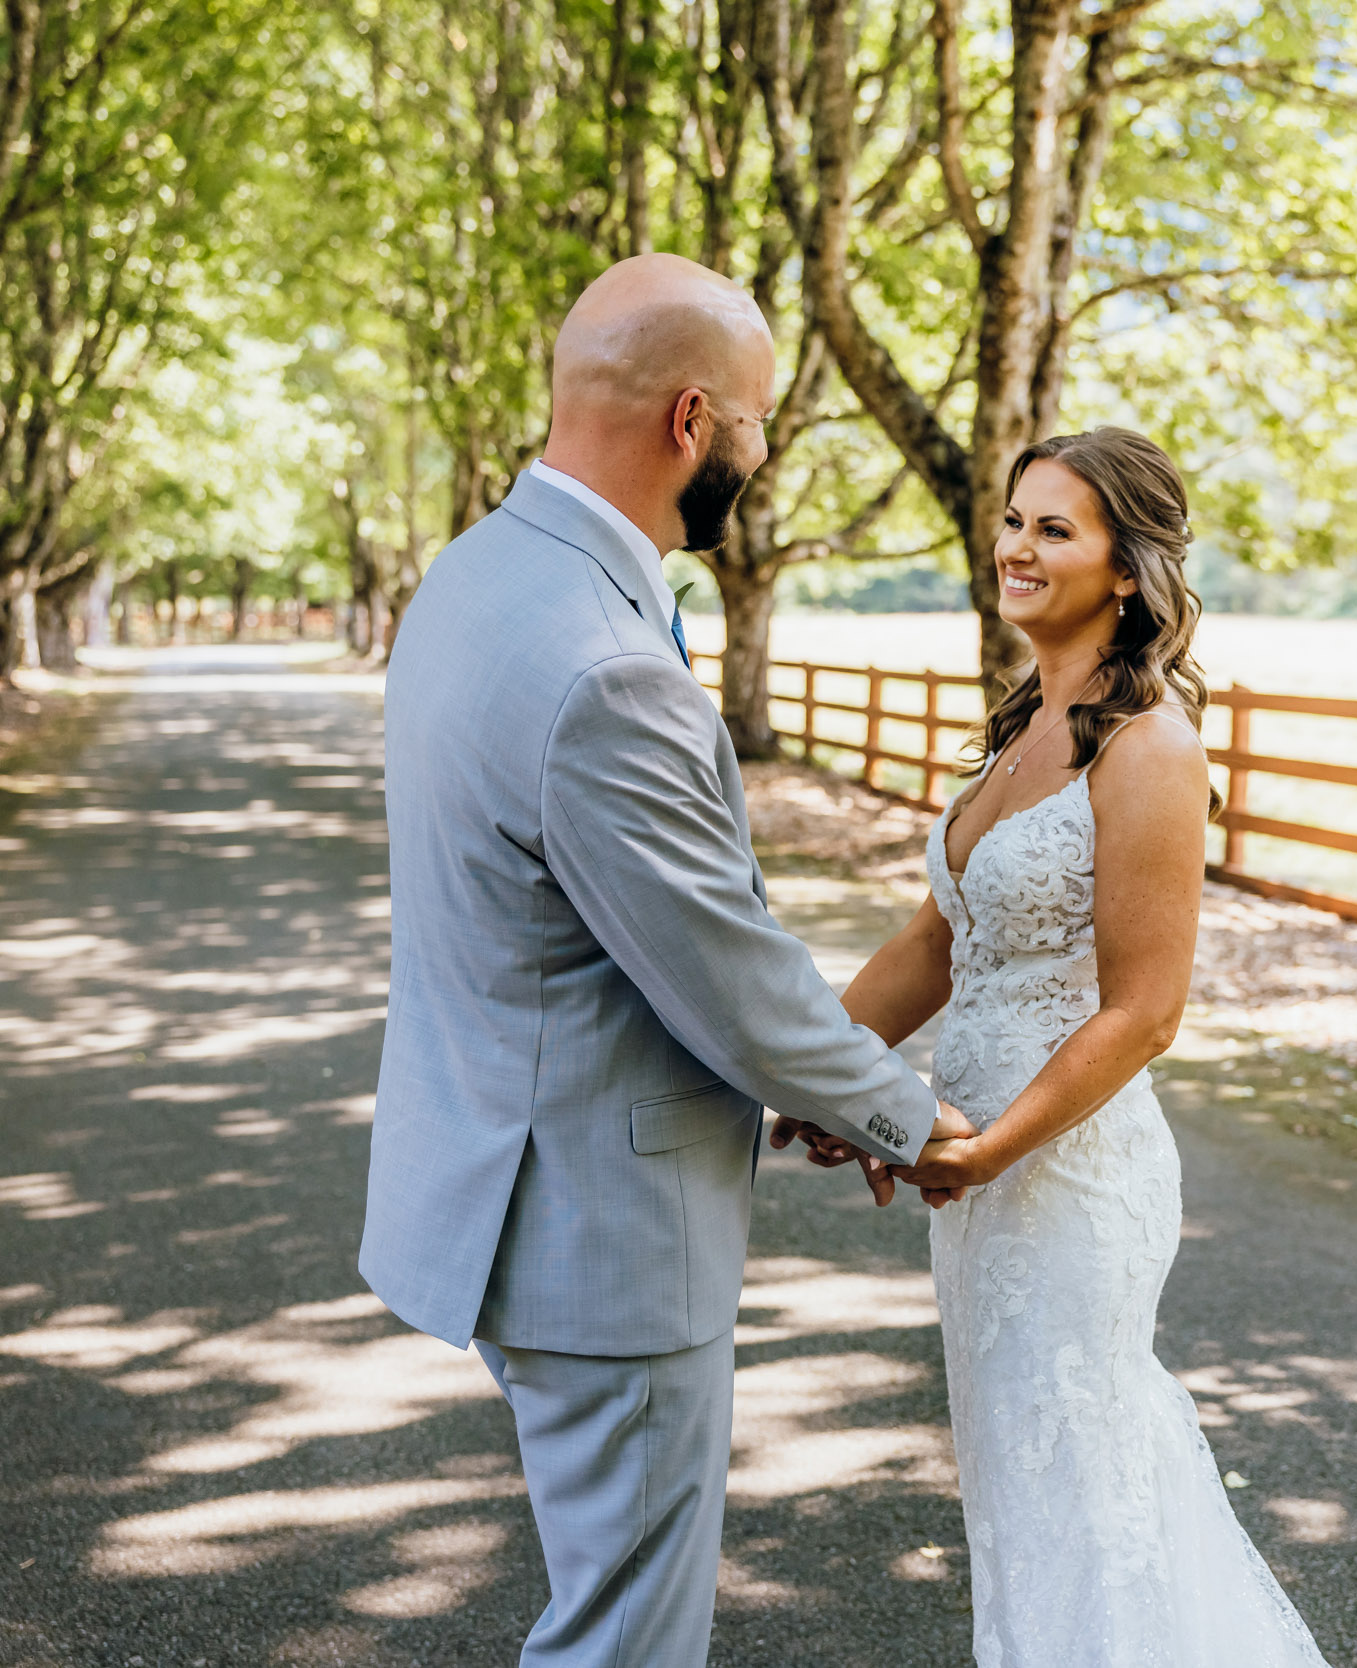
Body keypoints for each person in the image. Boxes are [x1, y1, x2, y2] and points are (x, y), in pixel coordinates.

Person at [360, 252, 974, 1667]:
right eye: (759, 427)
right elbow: (724, 970)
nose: (760, 459)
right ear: (692, 423)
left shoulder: (476, 574)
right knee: (626, 1644)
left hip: (505, 1178)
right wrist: (904, 1118)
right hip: (597, 1232)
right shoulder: (602, 663)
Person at [830, 428, 1334, 1665]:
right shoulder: (1019, 734)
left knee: (1084, 1478)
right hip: (981, 1182)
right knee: (1020, 1492)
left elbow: (1146, 1010)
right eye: (1012, 519)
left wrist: (994, 1147)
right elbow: (934, 949)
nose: (1015, 546)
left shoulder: (1150, 746)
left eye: (1055, 528)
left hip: (1061, 1176)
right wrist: (807, 1068)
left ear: (1126, 570)